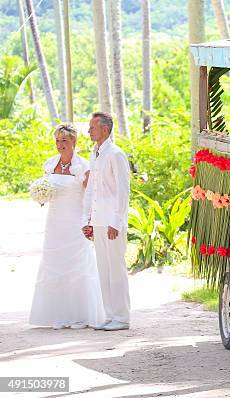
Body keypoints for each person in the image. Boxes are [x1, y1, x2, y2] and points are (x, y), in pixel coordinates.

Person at [29, 124, 106, 329]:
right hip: (54, 222)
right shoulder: (50, 164)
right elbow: (47, 190)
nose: (60, 144)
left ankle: (79, 313)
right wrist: (41, 196)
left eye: (64, 140)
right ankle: (56, 314)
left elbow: (90, 195)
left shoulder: (82, 166)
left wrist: (90, 221)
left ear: (74, 142)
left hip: (75, 221)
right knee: (53, 264)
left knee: (77, 264)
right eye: (57, 140)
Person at [82, 112, 131, 331]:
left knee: (116, 269)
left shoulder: (115, 154)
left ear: (105, 130)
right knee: (103, 268)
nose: (88, 131)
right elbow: (92, 189)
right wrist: (88, 219)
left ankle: (122, 317)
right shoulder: (95, 154)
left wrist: (116, 221)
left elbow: (123, 191)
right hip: (99, 219)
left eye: (92, 128)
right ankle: (110, 315)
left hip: (112, 222)